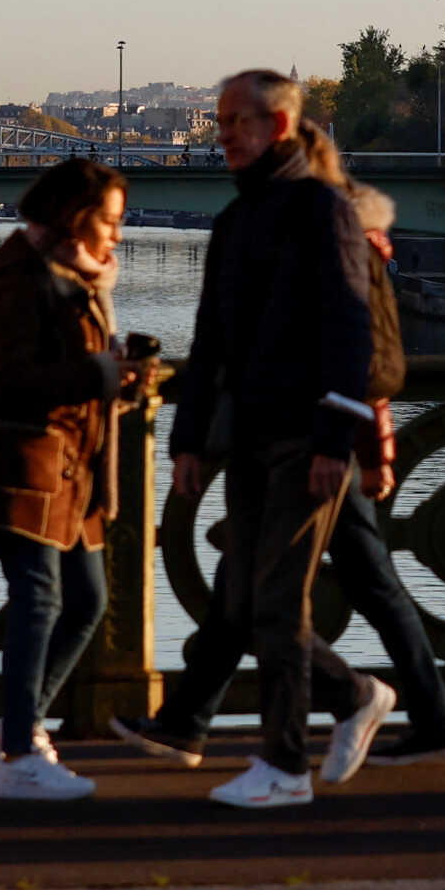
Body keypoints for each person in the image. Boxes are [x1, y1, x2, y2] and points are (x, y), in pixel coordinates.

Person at [111, 181, 445, 779]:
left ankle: (349, 712)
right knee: (276, 590)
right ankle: (192, 720)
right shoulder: (332, 248)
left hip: (321, 448)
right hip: (314, 445)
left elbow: (364, 365)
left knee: (264, 594)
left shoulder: (345, 254)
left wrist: (374, 455)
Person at [151, 69, 376, 809]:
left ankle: (284, 767)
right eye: (218, 122)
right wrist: (187, 442)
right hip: (247, 437)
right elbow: (209, 342)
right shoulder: (235, 220)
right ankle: (355, 696)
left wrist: (335, 440)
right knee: (246, 605)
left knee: (278, 605)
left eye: (234, 122)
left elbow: (351, 331)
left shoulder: (324, 210)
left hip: (305, 437)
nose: (220, 136)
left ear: (277, 127)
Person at [0, 157, 157, 801]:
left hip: (70, 469)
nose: (118, 235)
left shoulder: (72, 276)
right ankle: (17, 754)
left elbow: (66, 370)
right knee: (40, 603)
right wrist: (99, 375)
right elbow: (4, 383)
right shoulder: (21, 279)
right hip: (25, 467)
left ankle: (20, 723)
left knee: (86, 602)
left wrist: (109, 379)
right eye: (111, 222)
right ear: (76, 218)